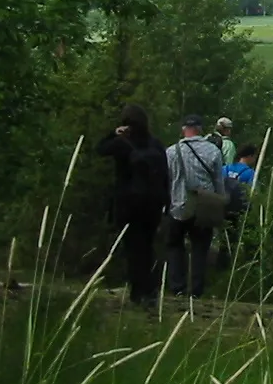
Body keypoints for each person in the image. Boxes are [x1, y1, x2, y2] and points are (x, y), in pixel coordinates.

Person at [94, 104, 167, 308]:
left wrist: (113, 133)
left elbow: (100, 149)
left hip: (128, 202)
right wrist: (165, 201)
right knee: (147, 246)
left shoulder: (121, 144)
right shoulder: (156, 145)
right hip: (152, 204)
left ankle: (138, 291)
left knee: (133, 248)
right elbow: (164, 174)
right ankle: (150, 290)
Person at [165, 114, 225, 299]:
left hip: (178, 205)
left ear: (183, 129)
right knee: (200, 248)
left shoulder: (171, 151)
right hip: (204, 206)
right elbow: (218, 181)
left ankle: (177, 286)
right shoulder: (213, 151)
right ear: (200, 129)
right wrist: (220, 201)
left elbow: (166, 180)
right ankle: (197, 290)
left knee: (175, 245)